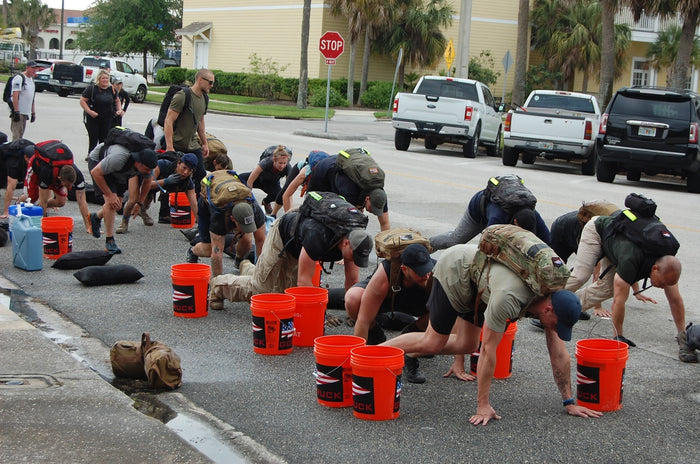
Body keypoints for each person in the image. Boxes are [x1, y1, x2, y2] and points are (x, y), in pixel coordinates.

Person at [381, 244, 602, 424]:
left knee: (468, 345)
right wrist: (483, 405)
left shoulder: (551, 293)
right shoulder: (509, 298)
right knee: (433, 343)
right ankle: (373, 354)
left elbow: (559, 353)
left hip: (481, 284)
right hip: (457, 269)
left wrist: (569, 402)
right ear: (548, 309)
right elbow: (488, 350)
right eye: (556, 324)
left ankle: (404, 351)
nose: (555, 329)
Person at [564, 214, 693, 362]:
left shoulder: (667, 263)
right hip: (598, 231)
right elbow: (619, 301)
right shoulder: (631, 259)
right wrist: (618, 337)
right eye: (662, 283)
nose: (663, 287)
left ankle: (562, 309)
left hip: (619, 243)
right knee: (581, 275)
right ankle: (544, 297)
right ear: (655, 268)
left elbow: (675, 300)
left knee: (607, 290)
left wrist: (683, 336)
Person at [208, 210, 373, 309]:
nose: (354, 260)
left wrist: (354, 315)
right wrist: (322, 312)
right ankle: (218, 285)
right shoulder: (318, 237)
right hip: (282, 236)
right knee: (261, 290)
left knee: (284, 296)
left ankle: (247, 267)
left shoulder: (354, 241)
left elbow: (352, 282)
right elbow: (304, 284)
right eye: (354, 256)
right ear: (345, 243)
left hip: (299, 247)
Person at [345, 243, 435, 345]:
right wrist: (358, 356)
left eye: (427, 270)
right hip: (388, 299)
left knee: (440, 311)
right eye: (420, 272)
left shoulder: (435, 272)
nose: (426, 276)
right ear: (404, 269)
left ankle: (413, 333)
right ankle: (375, 334)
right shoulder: (386, 272)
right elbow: (363, 320)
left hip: (419, 304)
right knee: (353, 298)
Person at [186, 173, 267, 278]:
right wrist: (218, 285)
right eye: (242, 225)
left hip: (234, 193)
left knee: (247, 240)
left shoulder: (255, 210)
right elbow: (217, 254)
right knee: (209, 249)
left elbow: (261, 241)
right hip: (209, 201)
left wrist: (259, 276)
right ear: (233, 219)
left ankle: (239, 260)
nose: (246, 229)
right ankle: (192, 252)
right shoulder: (219, 216)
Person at [429, 188, 550, 251]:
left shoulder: (534, 215)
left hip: (500, 214)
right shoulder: (498, 217)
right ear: (515, 222)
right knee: (455, 240)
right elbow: (485, 246)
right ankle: (425, 245)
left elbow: (549, 243)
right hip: (478, 210)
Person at [88, 145, 157, 254]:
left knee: (118, 205)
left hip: (119, 171)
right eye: (147, 169)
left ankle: (95, 217)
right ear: (139, 163)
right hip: (99, 162)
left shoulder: (145, 166)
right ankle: (110, 241)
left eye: (150, 170)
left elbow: (147, 182)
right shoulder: (119, 159)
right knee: (112, 203)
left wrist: (139, 203)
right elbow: (95, 172)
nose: (148, 172)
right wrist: (109, 194)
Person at [117, 152, 199, 234]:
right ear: (178, 163)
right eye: (184, 168)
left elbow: (194, 204)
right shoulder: (162, 165)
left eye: (190, 170)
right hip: (139, 175)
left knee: (147, 201)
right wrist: (166, 181)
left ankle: (142, 212)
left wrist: (202, 225)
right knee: (133, 200)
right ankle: (124, 222)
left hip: (156, 185)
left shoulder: (188, 182)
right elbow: (147, 185)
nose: (185, 172)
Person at [306, 154, 390, 231]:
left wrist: (385, 244)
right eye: (372, 208)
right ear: (367, 198)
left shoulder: (380, 195)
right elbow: (345, 222)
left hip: (342, 176)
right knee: (312, 208)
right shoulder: (350, 192)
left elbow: (385, 223)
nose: (374, 212)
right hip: (324, 171)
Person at [163, 68, 213, 193]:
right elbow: (168, 121)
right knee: (172, 176)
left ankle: (194, 205)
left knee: (200, 174)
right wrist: (169, 146)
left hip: (192, 144)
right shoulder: (183, 96)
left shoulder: (205, 99)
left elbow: (200, 122)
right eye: (210, 82)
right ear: (200, 79)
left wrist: (205, 143)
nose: (211, 86)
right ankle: (164, 210)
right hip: (176, 144)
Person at [22, 157, 92, 234]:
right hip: (37, 165)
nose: (69, 188)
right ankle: (18, 206)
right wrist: (44, 225)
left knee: (61, 202)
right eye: (67, 185)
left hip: (56, 171)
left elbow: (82, 201)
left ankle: (38, 209)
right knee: (31, 197)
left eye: (70, 185)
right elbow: (43, 201)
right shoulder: (47, 172)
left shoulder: (78, 175)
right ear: (60, 179)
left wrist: (88, 226)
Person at [272, 150, 329, 217]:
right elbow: (286, 195)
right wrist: (289, 218)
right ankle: (273, 214)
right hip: (299, 169)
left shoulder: (329, 178)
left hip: (318, 180)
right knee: (285, 191)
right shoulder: (304, 174)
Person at [238, 145, 291, 214]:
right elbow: (250, 180)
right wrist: (249, 198)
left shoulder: (287, 168)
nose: (282, 166)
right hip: (258, 180)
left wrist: (289, 211)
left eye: (284, 163)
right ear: (274, 160)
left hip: (271, 184)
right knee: (239, 178)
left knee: (280, 194)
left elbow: (289, 188)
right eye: (280, 163)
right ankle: (239, 202)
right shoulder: (266, 162)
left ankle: (266, 202)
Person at [0, 138, 33, 218]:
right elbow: (11, 187)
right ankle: (6, 209)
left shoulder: (37, 156)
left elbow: (42, 178)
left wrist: (49, 201)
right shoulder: (15, 162)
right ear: (26, 158)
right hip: (3, 154)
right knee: (9, 181)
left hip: (21, 149)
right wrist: (6, 212)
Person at [9, 61, 42, 141]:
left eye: (36, 69)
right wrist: (16, 111)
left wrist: (33, 112)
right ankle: (13, 152)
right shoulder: (19, 78)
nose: (34, 70)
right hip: (19, 112)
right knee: (16, 136)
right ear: (27, 68)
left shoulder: (31, 80)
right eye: (32, 68)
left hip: (25, 112)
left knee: (21, 136)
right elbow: (15, 95)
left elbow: (32, 97)